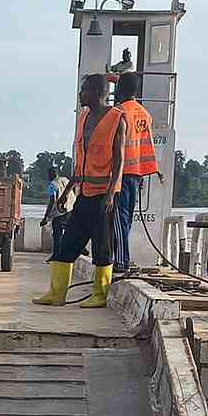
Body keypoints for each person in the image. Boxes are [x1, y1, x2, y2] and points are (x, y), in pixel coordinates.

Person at [33, 79, 126, 309]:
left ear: (98, 92)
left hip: (104, 196)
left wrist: (111, 193)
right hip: (83, 193)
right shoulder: (84, 117)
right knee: (68, 243)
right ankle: (57, 294)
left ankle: (99, 295)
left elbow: (119, 159)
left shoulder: (117, 119)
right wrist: (67, 191)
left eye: (84, 90)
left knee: (102, 247)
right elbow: (81, 161)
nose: (80, 94)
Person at [111, 71, 157, 274]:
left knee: (119, 217)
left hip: (121, 172)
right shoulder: (144, 114)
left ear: (119, 90)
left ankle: (121, 260)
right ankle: (121, 256)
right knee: (127, 218)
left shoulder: (119, 112)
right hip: (138, 173)